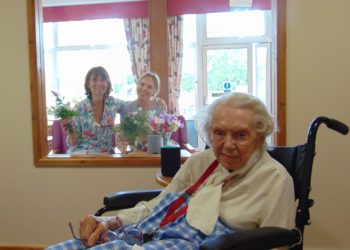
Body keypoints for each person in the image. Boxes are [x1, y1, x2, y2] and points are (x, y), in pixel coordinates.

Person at [47, 92, 296, 249]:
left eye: (241, 134)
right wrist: (112, 220)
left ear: (261, 136)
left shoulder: (274, 180)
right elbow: (160, 205)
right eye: (219, 133)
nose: (228, 144)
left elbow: (276, 244)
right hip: (152, 235)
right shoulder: (201, 163)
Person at [63, 67, 167, 154]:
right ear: (87, 84)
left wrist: (156, 100)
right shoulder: (79, 108)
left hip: (106, 155)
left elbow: (136, 105)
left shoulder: (113, 104)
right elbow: (74, 142)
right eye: (94, 80)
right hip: (83, 155)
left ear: (107, 84)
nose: (99, 83)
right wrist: (70, 131)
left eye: (103, 80)